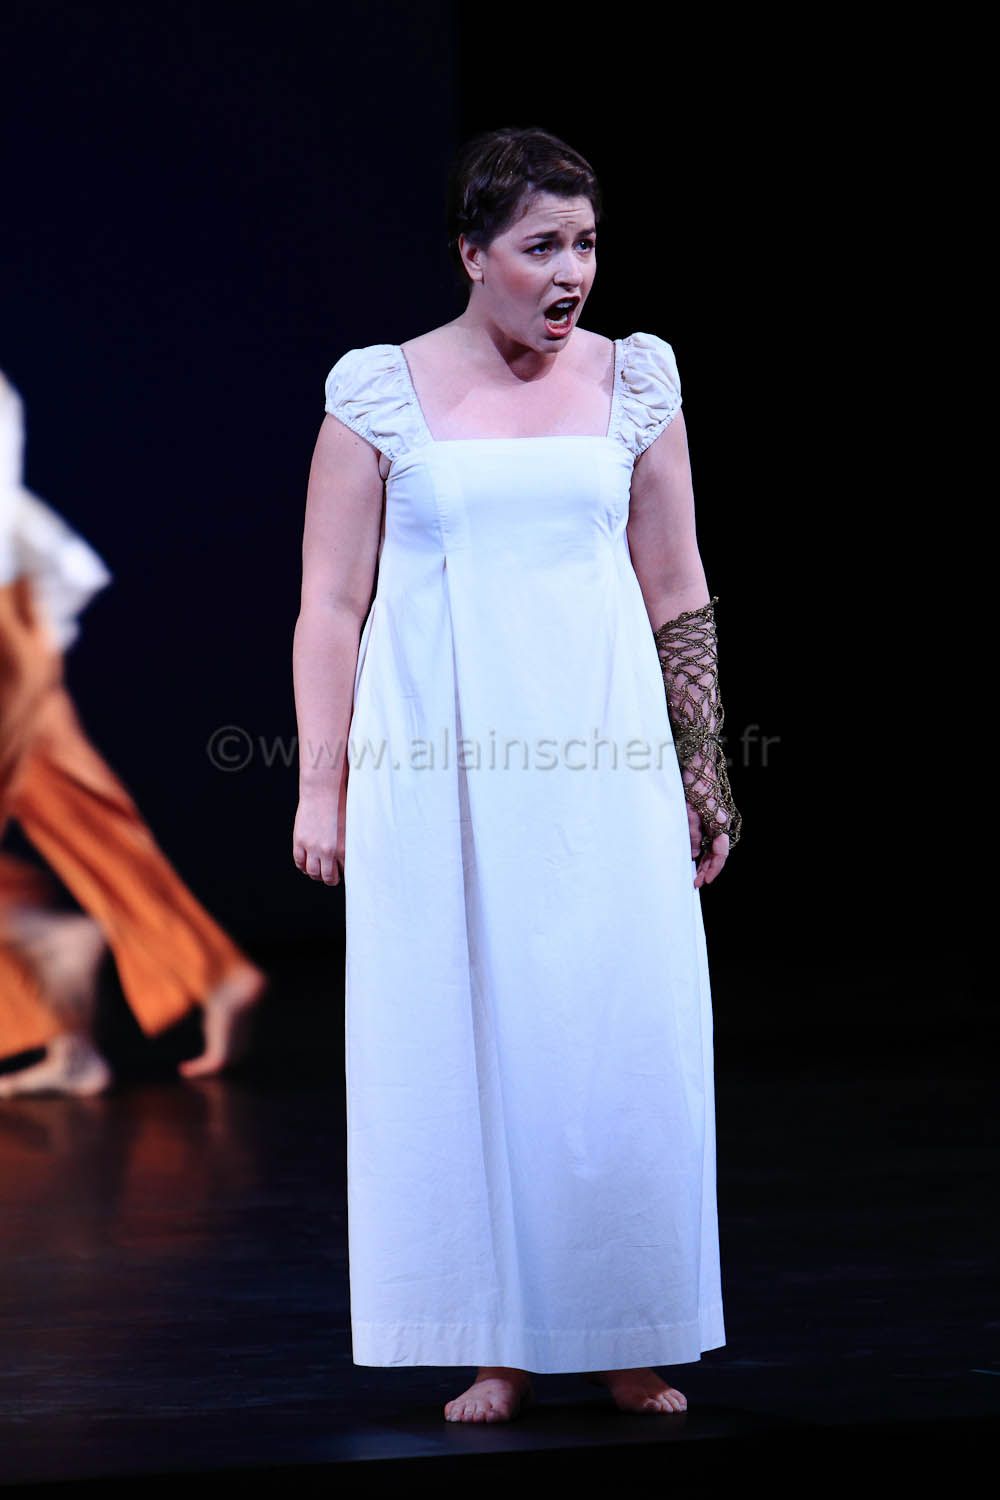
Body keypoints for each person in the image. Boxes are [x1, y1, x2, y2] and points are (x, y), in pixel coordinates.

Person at [292, 126, 742, 1424]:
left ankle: (626, 1330)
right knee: (465, 1047)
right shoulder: (381, 392)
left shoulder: (635, 381)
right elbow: (330, 604)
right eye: (541, 245)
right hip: (442, 772)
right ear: (472, 253)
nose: (571, 272)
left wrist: (703, 766)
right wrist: (321, 784)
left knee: (616, 1043)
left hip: (603, 763)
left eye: (585, 244)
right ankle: (497, 1342)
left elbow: (678, 587)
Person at [0, 370, 267, 1096]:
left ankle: (47, 951)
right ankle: (103, 1013)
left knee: (75, 806)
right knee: (75, 806)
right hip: (14, 613)